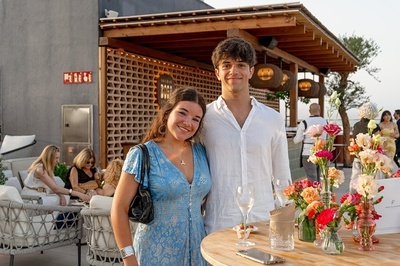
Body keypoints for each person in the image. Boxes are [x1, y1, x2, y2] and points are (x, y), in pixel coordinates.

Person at [201, 37, 291, 234]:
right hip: (218, 225)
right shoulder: (204, 119)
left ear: (250, 71)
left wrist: (285, 226)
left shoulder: (273, 119)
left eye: (241, 65)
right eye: (227, 65)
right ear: (217, 73)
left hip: (263, 223)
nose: (234, 71)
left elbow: (283, 177)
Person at [111, 87, 211, 266]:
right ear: (167, 114)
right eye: (183, 113)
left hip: (198, 253)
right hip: (155, 254)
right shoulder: (142, 154)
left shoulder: (201, 152)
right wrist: (129, 258)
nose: (188, 122)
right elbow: (119, 208)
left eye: (196, 119)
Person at [21, 144, 90, 204]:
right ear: (49, 157)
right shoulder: (40, 170)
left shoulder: (47, 168)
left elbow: (55, 186)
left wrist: (61, 196)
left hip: (40, 196)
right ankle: (60, 218)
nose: (58, 161)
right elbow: (55, 188)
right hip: (32, 199)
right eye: (56, 158)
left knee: (65, 198)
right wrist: (78, 194)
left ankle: (58, 217)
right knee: (65, 199)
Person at [349, 102, 381, 191]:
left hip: (358, 156)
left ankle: (351, 198)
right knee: (369, 182)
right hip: (369, 157)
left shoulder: (356, 125)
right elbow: (378, 142)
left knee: (354, 179)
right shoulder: (374, 126)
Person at [293, 103, 327, 183]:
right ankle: (319, 193)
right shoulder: (325, 122)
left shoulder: (304, 122)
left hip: (308, 152)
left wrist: (293, 138)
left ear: (309, 111)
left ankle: (313, 193)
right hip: (322, 152)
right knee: (319, 176)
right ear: (320, 110)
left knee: (311, 177)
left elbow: (298, 139)